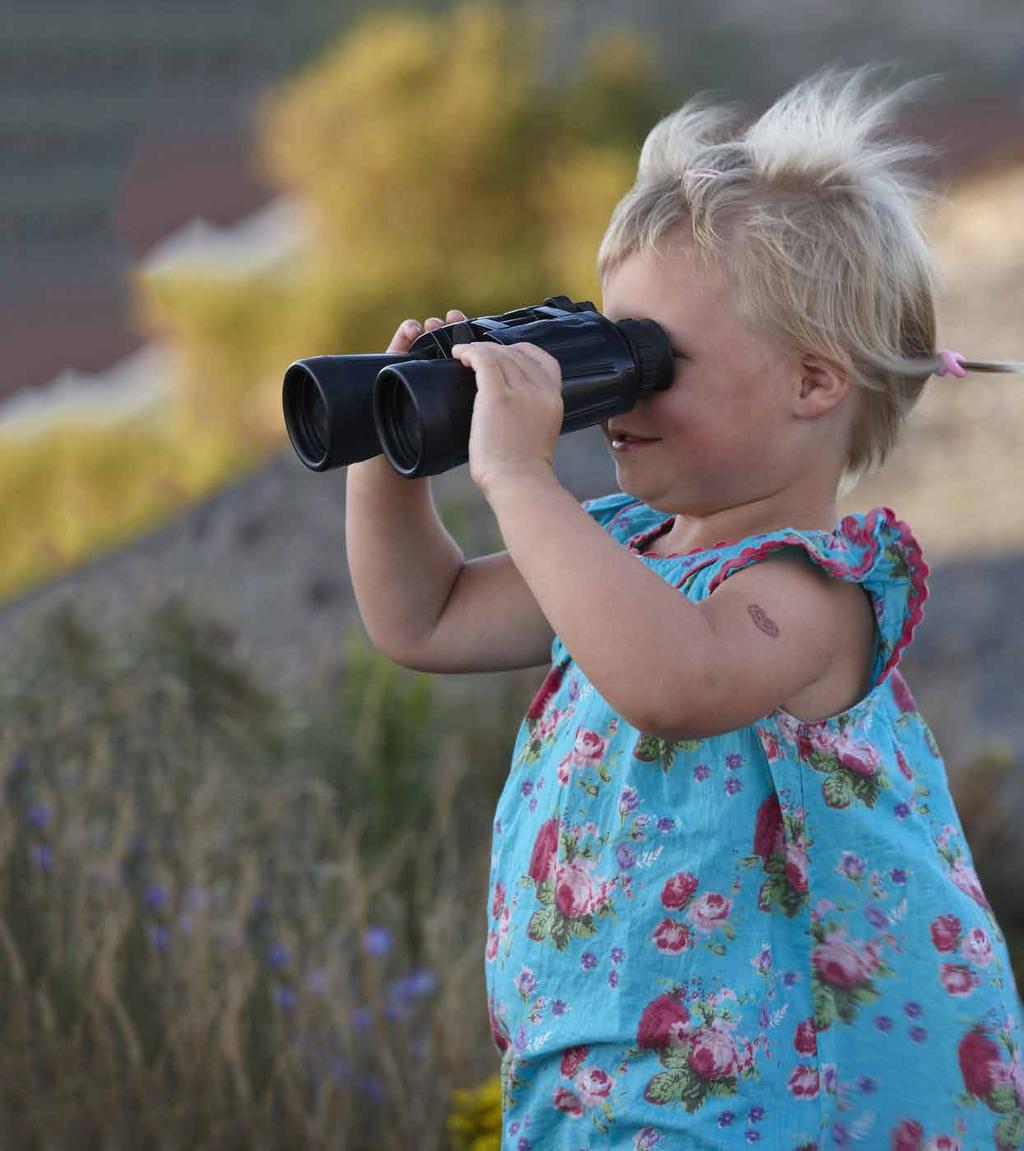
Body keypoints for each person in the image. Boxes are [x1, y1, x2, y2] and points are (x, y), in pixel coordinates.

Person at [346, 65, 1024, 1148]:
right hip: (604, 1076)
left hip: (794, 1090)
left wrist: (520, 479)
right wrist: (394, 450)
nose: (615, 389)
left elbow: (674, 680)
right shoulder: (617, 550)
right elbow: (418, 616)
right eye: (607, 344)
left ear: (814, 381)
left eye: (653, 358)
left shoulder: (814, 590)